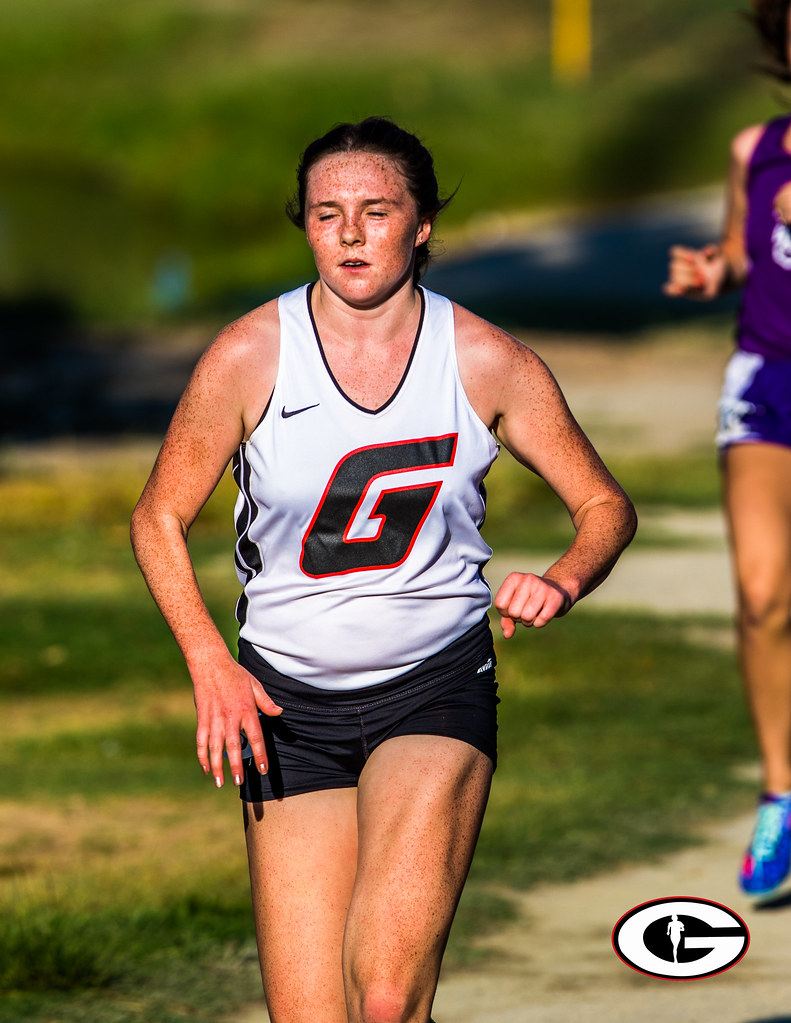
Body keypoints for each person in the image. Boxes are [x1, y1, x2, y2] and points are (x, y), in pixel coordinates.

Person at [131, 116, 636, 1023]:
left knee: (389, 993)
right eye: (327, 214)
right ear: (306, 225)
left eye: (377, 210)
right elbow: (158, 516)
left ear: (423, 224)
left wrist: (562, 577)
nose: (352, 234)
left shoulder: (484, 358)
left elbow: (604, 506)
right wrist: (212, 662)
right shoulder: (250, 353)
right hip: (284, 704)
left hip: (431, 689)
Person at [664, 0, 791, 898]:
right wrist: (714, 267)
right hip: (766, 380)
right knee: (760, 592)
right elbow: (747, 251)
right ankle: (782, 790)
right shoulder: (756, 148)